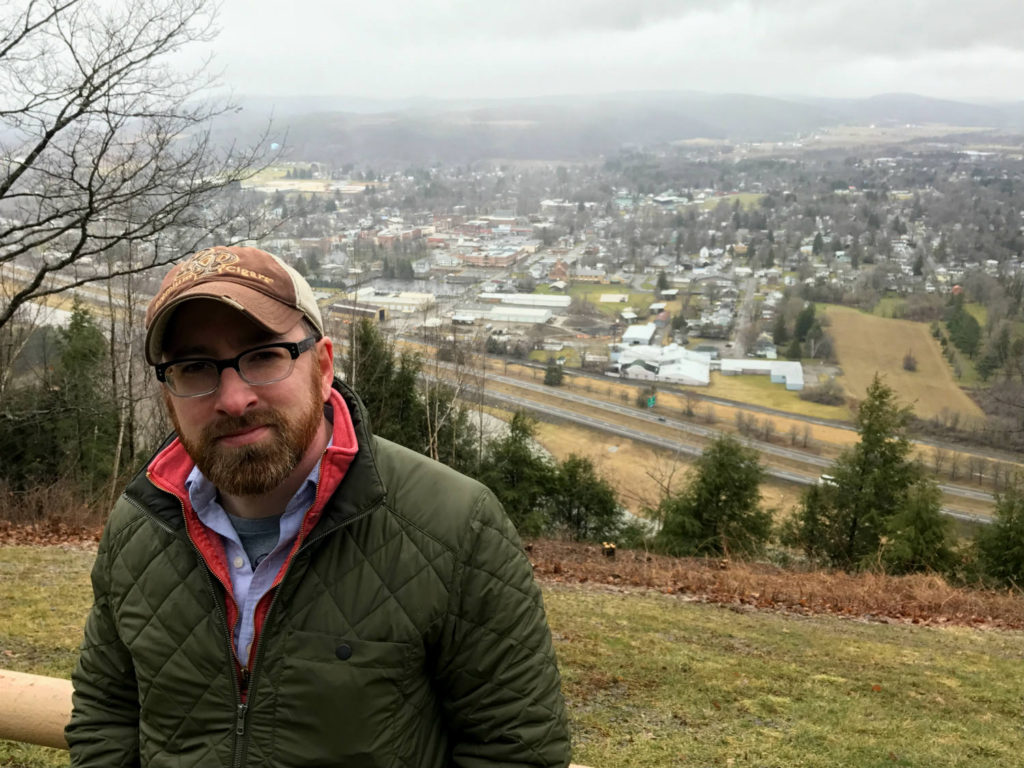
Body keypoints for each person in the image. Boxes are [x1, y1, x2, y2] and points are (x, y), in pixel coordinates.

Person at [66, 245, 571, 767]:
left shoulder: (454, 525)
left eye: (263, 356)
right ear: (168, 394)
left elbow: (515, 750)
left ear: (323, 366)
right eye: (195, 367)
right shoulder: (140, 523)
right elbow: (107, 716)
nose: (234, 398)